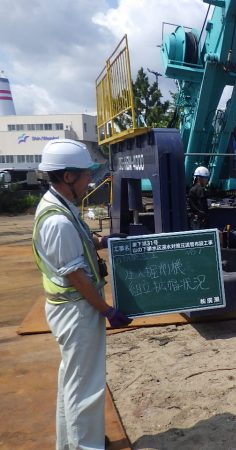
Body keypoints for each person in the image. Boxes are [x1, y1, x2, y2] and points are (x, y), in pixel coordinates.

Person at [32, 138, 131, 449]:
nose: (92, 179)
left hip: (73, 309)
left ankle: (71, 442)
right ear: (68, 176)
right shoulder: (58, 221)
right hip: (76, 310)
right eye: (86, 174)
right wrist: (106, 309)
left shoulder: (62, 206)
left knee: (72, 381)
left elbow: (83, 241)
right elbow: (75, 276)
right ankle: (86, 446)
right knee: (85, 386)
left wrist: (106, 242)